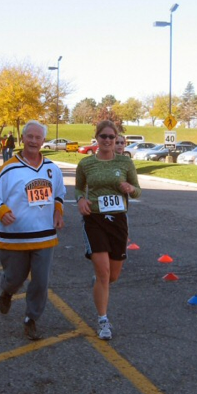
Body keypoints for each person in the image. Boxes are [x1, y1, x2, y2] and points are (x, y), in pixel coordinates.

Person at [0, 120, 65, 341]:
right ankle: (7, 291)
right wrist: (0, 211)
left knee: (40, 281)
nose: (33, 141)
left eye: (37, 137)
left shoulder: (52, 169)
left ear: (43, 141)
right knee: (15, 277)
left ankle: (31, 319)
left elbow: (59, 193)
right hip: (15, 237)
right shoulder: (9, 168)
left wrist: (58, 210)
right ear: (22, 138)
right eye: (29, 136)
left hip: (45, 235)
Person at [75, 120, 141, 340]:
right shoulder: (86, 164)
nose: (107, 140)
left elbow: (137, 192)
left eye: (111, 137)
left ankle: (100, 284)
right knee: (103, 272)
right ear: (96, 138)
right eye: (103, 136)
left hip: (118, 221)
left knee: (112, 275)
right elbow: (77, 189)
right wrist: (80, 200)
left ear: (117, 140)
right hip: (94, 219)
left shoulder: (125, 163)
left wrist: (130, 188)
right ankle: (103, 320)